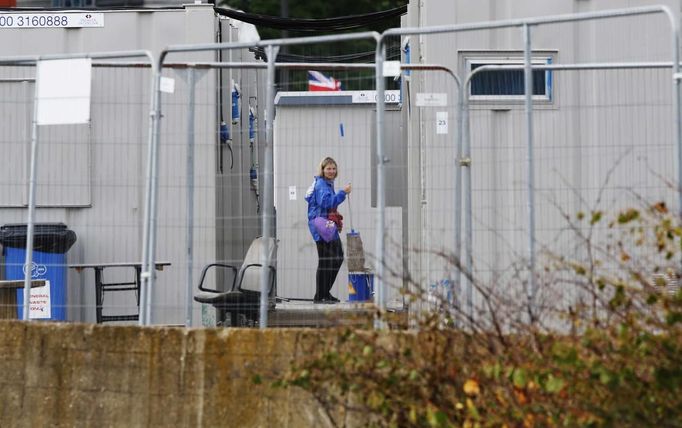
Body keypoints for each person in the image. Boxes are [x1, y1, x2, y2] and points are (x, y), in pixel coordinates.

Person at [305, 157, 352, 304]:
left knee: (336, 258)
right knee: (327, 260)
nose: (331, 171)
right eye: (328, 168)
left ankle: (324, 293)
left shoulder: (327, 183)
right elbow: (326, 202)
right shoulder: (321, 185)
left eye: (333, 168)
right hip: (320, 224)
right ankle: (321, 296)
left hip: (327, 224)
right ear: (323, 170)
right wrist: (342, 193)